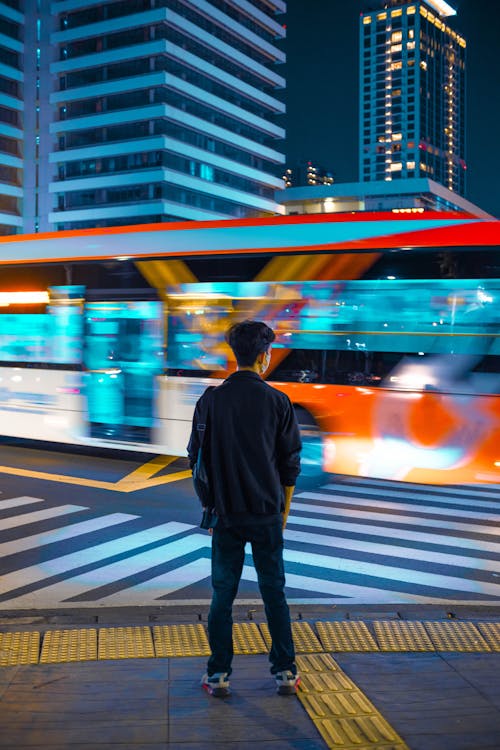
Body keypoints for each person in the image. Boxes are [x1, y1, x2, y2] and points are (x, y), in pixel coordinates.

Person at [187, 320, 302, 698]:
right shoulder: (278, 401)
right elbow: (290, 465)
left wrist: (209, 504)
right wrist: (282, 516)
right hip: (267, 514)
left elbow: (194, 457)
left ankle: (218, 673)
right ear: (264, 356)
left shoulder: (210, 400)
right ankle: (284, 671)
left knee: (223, 594)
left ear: (234, 355)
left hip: (225, 515)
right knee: (274, 593)